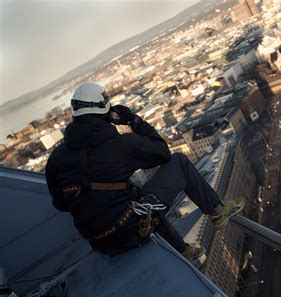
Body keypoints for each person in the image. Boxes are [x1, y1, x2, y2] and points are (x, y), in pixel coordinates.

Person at [45, 82, 244, 258]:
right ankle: (217, 211)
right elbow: (163, 153)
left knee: (133, 198)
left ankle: (182, 250)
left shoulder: (56, 158)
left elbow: (62, 204)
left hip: (100, 244)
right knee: (177, 164)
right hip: (130, 234)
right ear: (106, 112)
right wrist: (134, 121)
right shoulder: (121, 145)